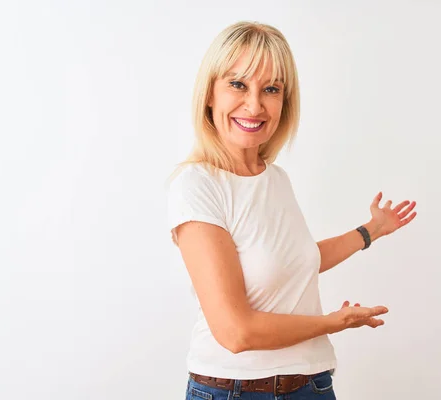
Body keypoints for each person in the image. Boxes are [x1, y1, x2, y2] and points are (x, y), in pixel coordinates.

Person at [166, 21, 417, 400]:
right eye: (238, 84)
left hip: (312, 384)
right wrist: (331, 322)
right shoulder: (198, 186)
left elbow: (296, 260)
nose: (254, 104)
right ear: (210, 95)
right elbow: (235, 332)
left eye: (271, 89)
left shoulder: (275, 178)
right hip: (237, 390)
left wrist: (371, 230)